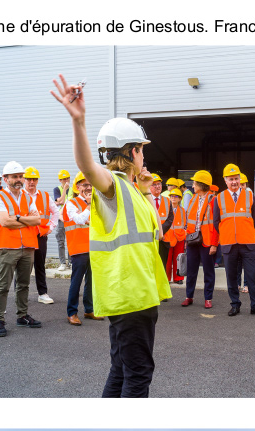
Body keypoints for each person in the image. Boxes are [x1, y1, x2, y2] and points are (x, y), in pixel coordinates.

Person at [52, 74, 170, 397]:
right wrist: (79, 122)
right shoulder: (113, 186)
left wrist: (145, 189)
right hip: (130, 299)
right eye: (141, 150)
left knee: (121, 370)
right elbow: (88, 166)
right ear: (131, 152)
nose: (145, 156)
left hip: (136, 297)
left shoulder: (132, 190)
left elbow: (158, 229)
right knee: (138, 374)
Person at [0, 161, 43, 337]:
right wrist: (26, 220)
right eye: (14, 177)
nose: (19, 180)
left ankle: (22, 316)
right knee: (3, 285)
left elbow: (38, 220)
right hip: (7, 247)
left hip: (27, 247)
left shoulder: (28, 197)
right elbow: (4, 222)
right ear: (5, 179)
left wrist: (17, 218)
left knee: (24, 284)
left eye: (20, 176)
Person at [215, 163, 255, 317]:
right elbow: (215, 222)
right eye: (231, 179)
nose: (234, 182)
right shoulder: (219, 198)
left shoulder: (249, 195)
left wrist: (246, 232)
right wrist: (226, 235)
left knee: (252, 275)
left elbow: (254, 218)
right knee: (231, 277)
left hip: (247, 243)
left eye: (236, 178)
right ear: (225, 180)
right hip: (228, 244)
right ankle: (235, 304)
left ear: (240, 179)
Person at [181, 170, 217, 309]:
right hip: (192, 240)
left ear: (202, 184)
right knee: (191, 270)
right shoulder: (193, 199)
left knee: (208, 271)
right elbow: (188, 220)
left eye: (195, 182)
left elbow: (216, 225)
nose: (193, 185)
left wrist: (214, 244)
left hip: (207, 241)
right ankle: (189, 296)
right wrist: (186, 238)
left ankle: (208, 298)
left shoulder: (213, 200)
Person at [63, 172, 95, 325]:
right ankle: (72, 312)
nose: (88, 188)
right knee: (76, 282)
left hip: (94, 247)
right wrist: (89, 205)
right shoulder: (71, 203)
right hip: (78, 248)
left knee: (91, 281)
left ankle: (89, 310)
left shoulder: (95, 202)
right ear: (77, 187)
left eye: (90, 185)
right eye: (84, 185)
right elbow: (80, 219)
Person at [23, 167, 56, 305]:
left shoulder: (44, 196)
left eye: (34, 179)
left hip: (40, 235)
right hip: (24, 236)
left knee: (40, 265)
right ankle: (21, 295)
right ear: (24, 180)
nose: (31, 182)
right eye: (29, 179)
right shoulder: (19, 195)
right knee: (23, 267)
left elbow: (56, 212)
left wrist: (50, 227)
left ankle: (42, 293)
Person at [161, 188, 187, 283]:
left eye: (176, 196)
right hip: (168, 237)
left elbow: (185, 225)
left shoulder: (183, 211)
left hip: (179, 237)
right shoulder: (166, 208)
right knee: (167, 260)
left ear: (180, 199)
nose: (173, 198)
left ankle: (178, 278)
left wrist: (184, 235)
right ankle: (166, 279)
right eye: (172, 196)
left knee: (179, 259)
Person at [53, 169, 72, 274]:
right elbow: (60, 201)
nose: (66, 180)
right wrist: (64, 189)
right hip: (61, 219)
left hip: (71, 218)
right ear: (60, 180)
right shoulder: (57, 189)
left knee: (70, 241)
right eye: (63, 179)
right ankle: (62, 263)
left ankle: (71, 262)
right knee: (61, 241)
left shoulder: (74, 189)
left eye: (67, 178)